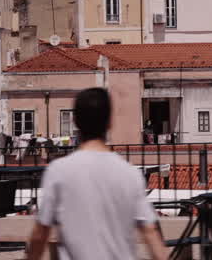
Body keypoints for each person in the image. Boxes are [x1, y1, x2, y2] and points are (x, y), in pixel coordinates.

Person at [27, 88, 168, 260]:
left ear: (75, 121)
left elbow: (40, 234)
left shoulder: (58, 172)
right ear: (109, 122)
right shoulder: (129, 174)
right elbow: (150, 232)